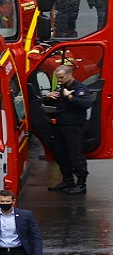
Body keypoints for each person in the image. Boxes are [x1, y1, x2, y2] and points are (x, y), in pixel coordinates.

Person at [44, 65, 92, 195]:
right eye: (57, 78)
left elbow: (86, 103)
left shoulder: (79, 88)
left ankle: (81, 183)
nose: (59, 81)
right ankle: (67, 179)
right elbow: (54, 103)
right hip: (60, 125)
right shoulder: (62, 87)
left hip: (73, 126)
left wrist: (70, 97)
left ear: (69, 75)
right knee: (59, 154)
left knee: (75, 155)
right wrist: (49, 97)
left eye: (61, 77)